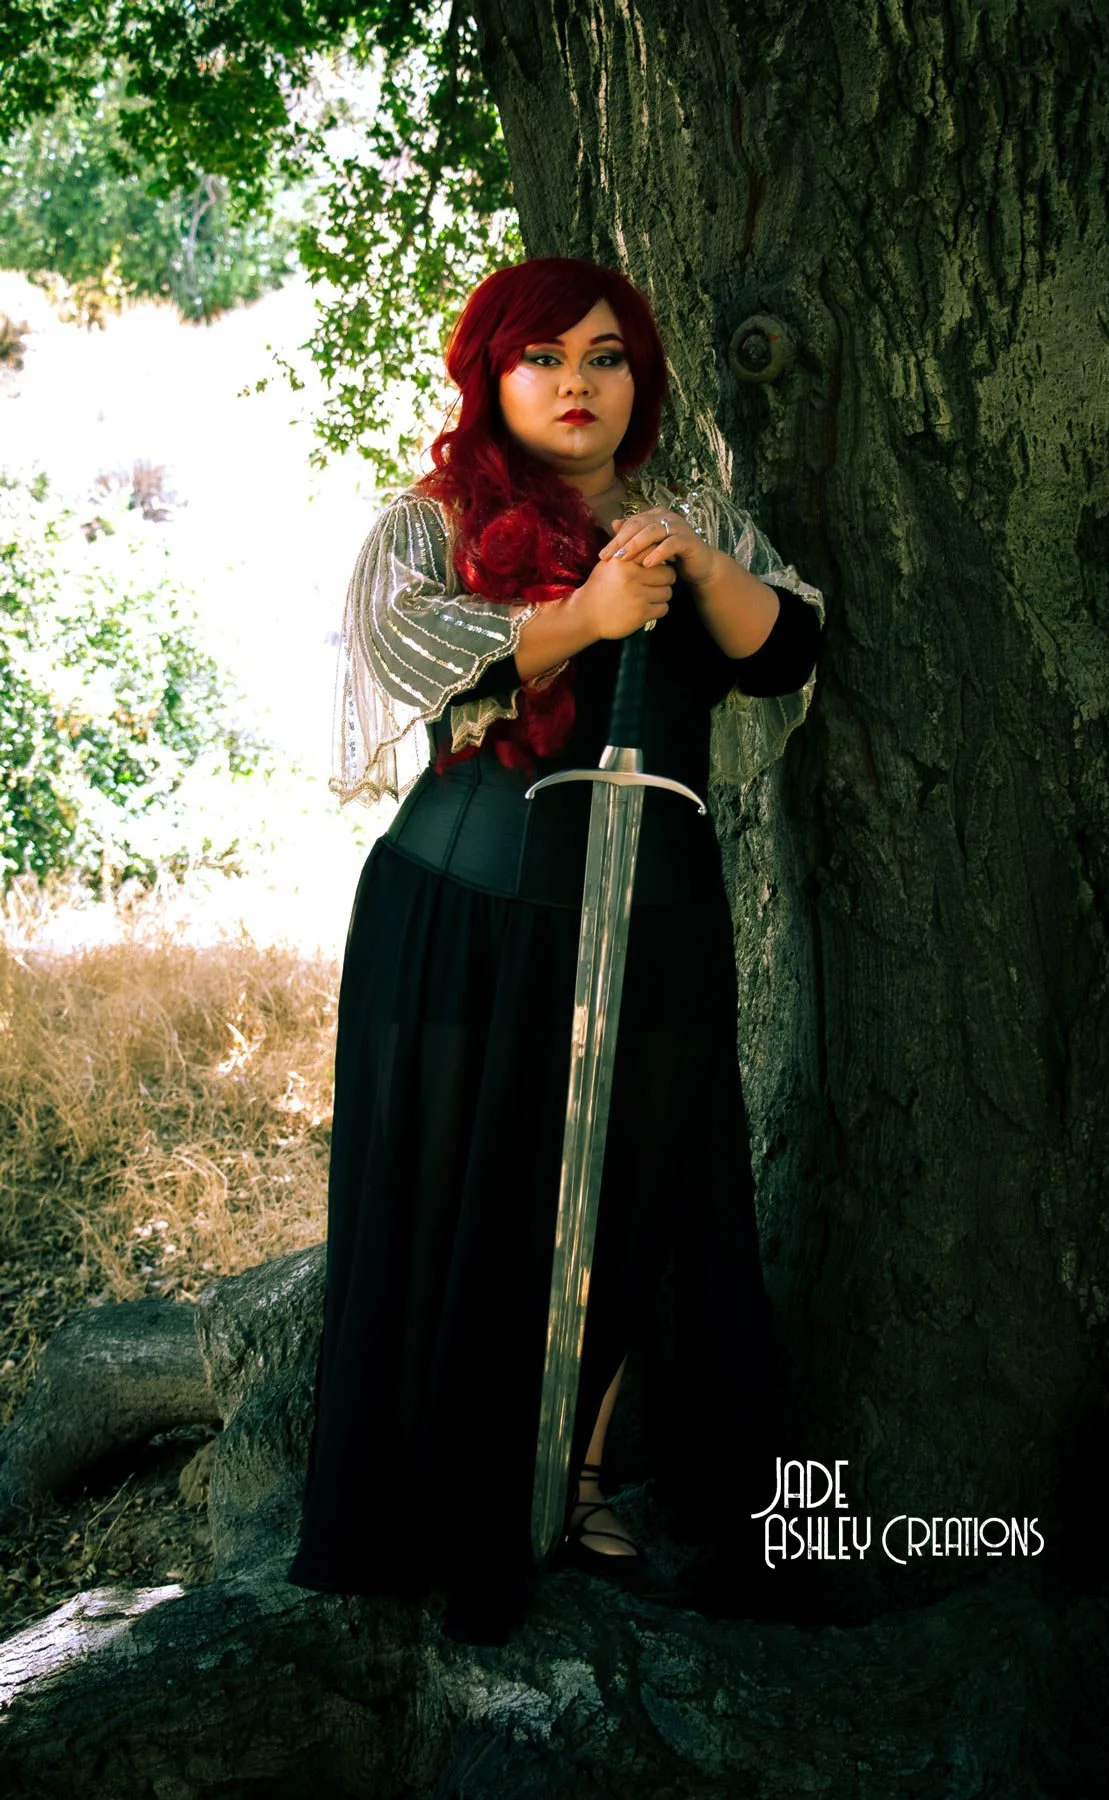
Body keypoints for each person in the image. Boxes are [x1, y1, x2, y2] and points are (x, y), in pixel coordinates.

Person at [285, 256, 825, 1645]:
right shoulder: (430, 526)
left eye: (605, 355)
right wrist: (581, 618)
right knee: (465, 1185)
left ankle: (578, 1479)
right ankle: (436, 1494)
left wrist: (694, 566)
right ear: (492, 374)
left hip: (652, 920)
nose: (576, 384)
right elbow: (405, 659)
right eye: (543, 358)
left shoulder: (684, 518)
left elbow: (779, 653)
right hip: (462, 920)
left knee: (632, 1193)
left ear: (640, 376)